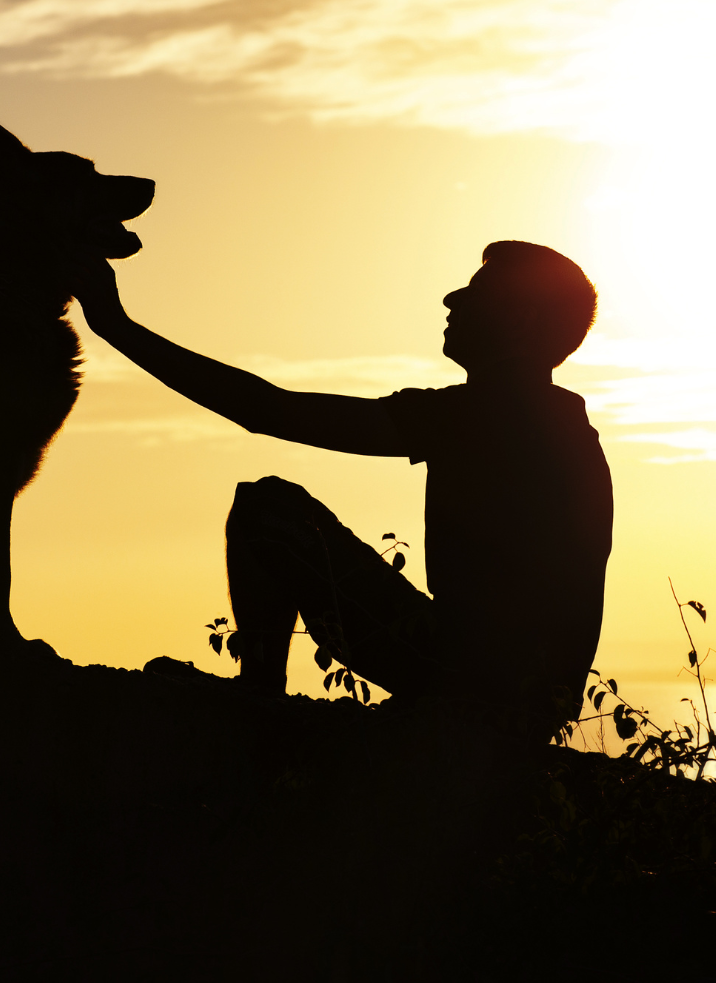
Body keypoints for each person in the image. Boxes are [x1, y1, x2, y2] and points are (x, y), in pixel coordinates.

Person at [72, 241, 613, 736]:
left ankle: (257, 703)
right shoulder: (552, 423)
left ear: (520, 321)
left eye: (477, 292)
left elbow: (266, 411)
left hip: (467, 683)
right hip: (518, 695)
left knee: (269, 510)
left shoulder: (484, 415)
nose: (452, 299)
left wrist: (113, 324)